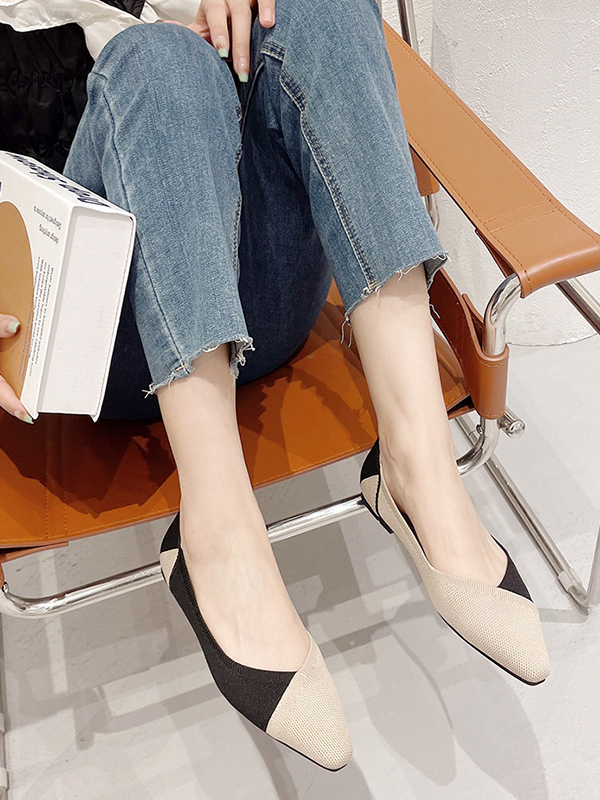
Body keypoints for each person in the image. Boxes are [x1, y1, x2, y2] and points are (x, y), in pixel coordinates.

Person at [0, 0, 550, 772]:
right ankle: (220, 533)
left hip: (261, 291)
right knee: (155, 62)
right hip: (96, 331)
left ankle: (418, 463)